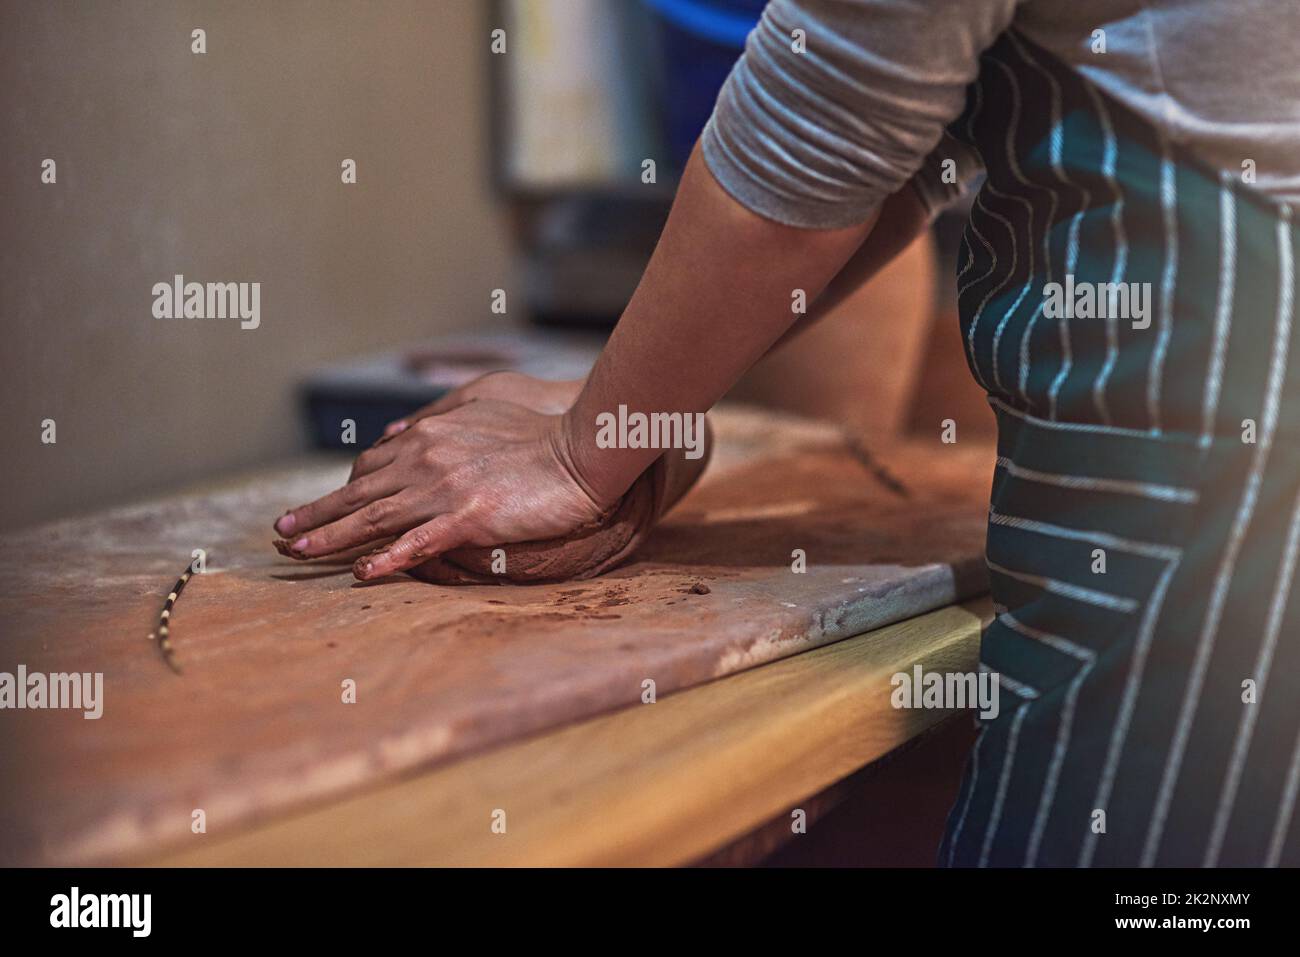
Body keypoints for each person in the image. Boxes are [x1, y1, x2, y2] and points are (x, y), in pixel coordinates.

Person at [273, 0, 1300, 867]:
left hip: (1244, 392)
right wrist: (618, 403)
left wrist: (580, 452)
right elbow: (916, 147)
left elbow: (827, 121)